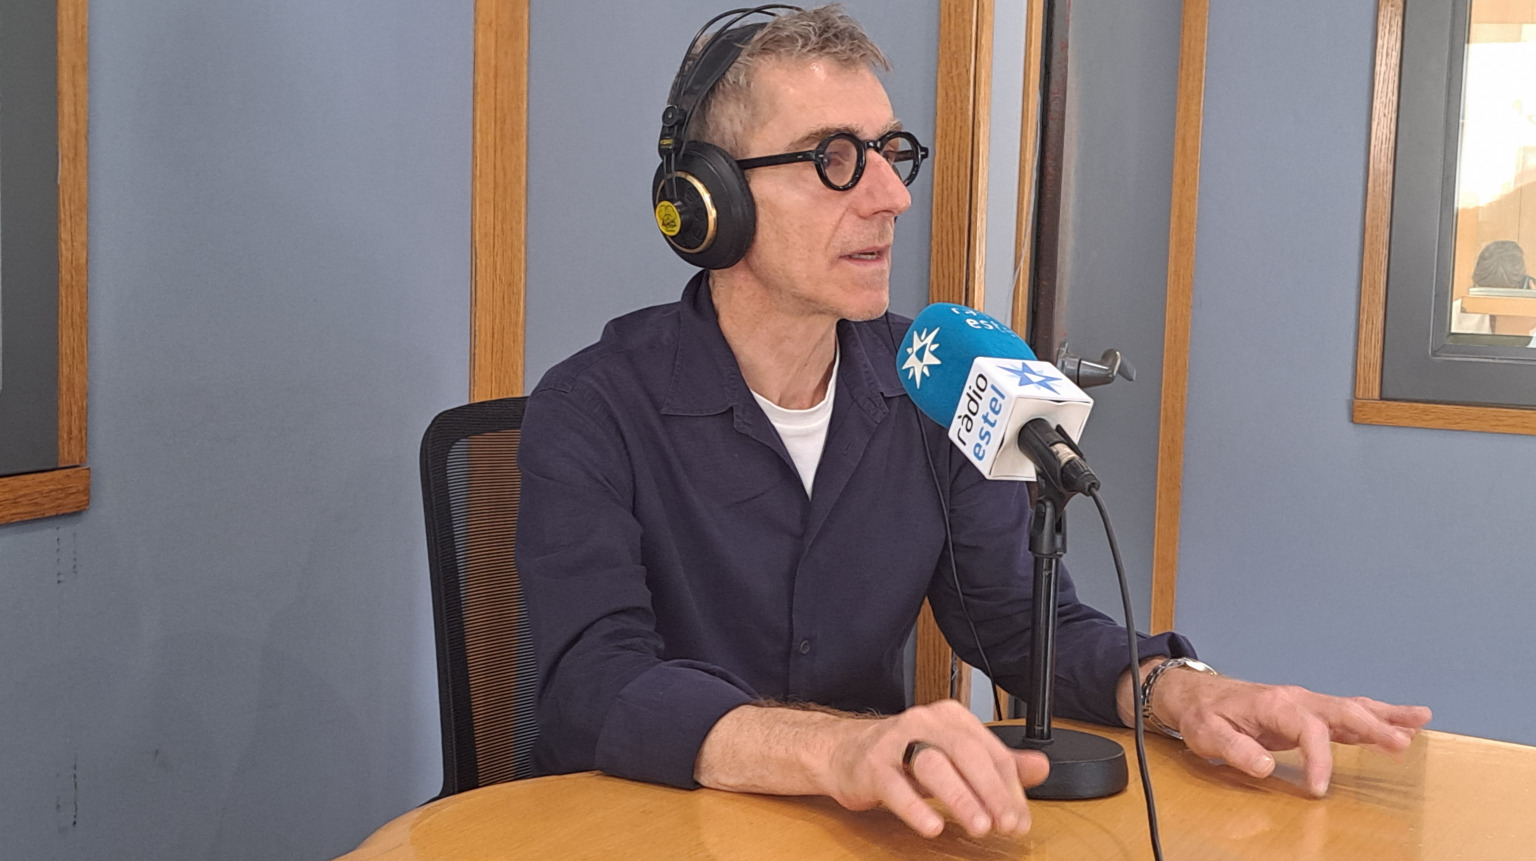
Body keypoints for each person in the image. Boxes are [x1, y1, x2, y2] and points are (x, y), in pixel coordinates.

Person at [516, 5, 1431, 840]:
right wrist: (835, 751)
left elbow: (1021, 626)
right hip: (634, 830)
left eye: (890, 151)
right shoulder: (592, 409)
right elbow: (595, 685)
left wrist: (1182, 692)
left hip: (856, 831)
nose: (891, 195)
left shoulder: (938, 381)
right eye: (834, 158)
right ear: (712, 198)